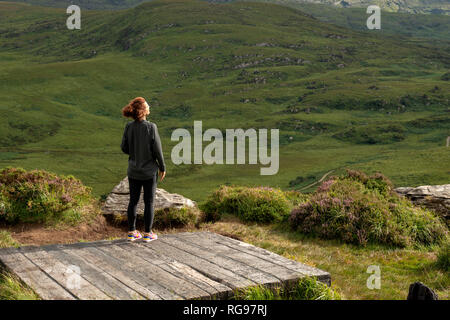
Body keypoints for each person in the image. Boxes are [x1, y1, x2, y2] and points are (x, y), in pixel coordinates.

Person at [120, 97, 166, 242]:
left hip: (133, 170)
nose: (149, 106)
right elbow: (157, 150)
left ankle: (132, 232)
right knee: (149, 202)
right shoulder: (151, 127)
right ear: (143, 110)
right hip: (149, 172)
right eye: (147, 105)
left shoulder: (129, 127)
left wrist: (135, 153)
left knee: (133, 201)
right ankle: (148, 233)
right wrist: (162, 167)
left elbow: (124, 147)